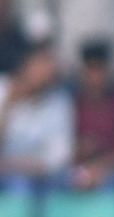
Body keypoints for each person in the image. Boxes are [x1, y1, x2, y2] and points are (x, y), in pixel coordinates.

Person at [0, 40, 72, 193]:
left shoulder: (59, 102)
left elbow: (58, 158)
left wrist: (13, 165)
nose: (47, 71)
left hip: (38, 177)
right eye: (41, 64)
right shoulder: (3, 89)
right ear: (26, 66)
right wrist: (8, 106)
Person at [71, 40, 114, 191]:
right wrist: (82, 149)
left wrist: (101, 166)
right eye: (91, 70)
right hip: (80, 170)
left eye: (99, 70)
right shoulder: (74, 105)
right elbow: (64, 151)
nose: (96, 77)